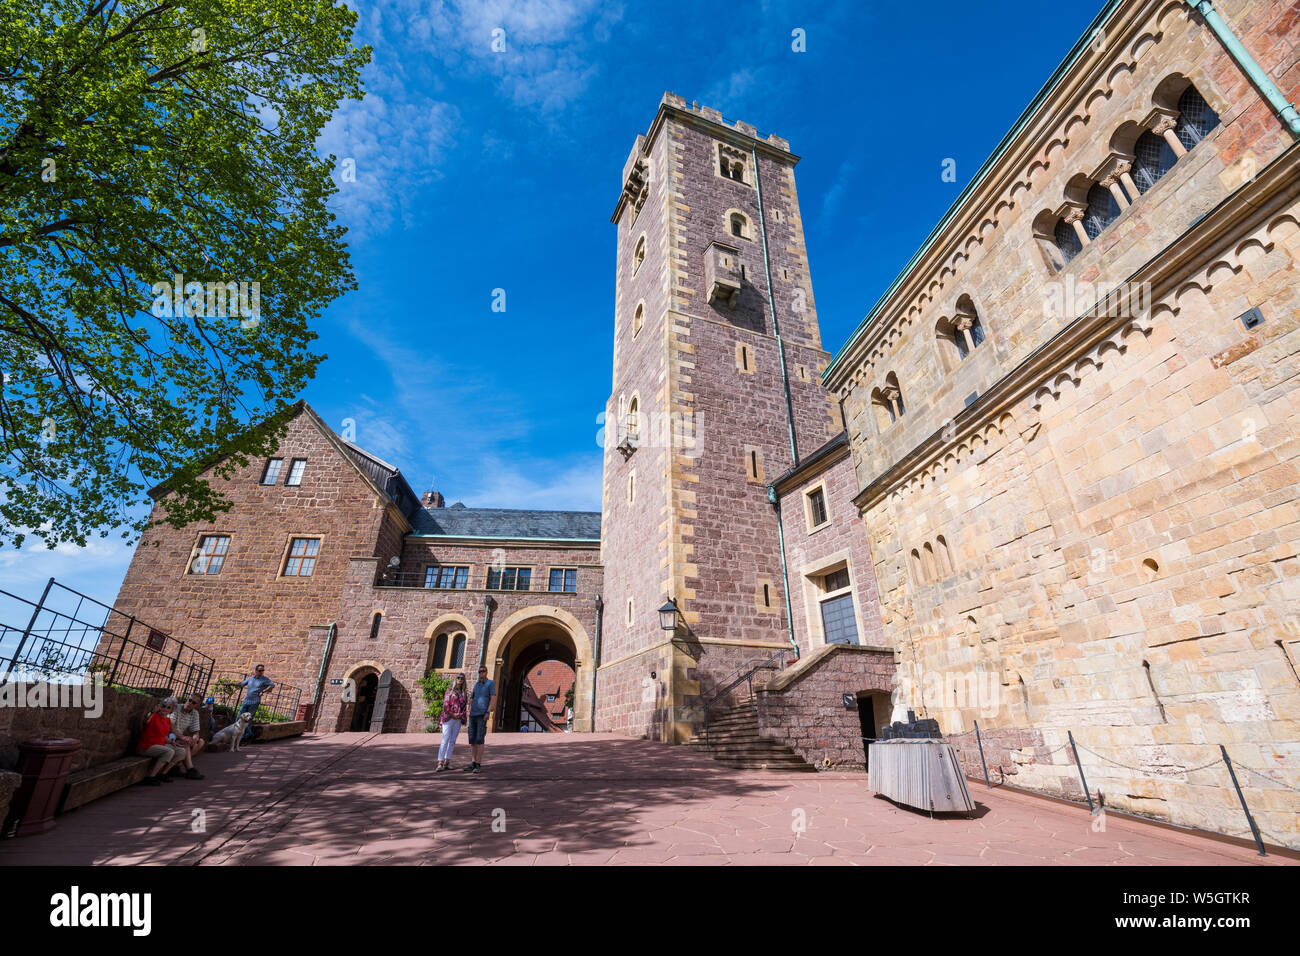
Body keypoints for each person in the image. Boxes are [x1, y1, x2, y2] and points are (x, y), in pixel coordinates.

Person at [136, 699, 185, 786]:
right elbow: (146, 722)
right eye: (163, 706)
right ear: (160, 707)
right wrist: (152, 712)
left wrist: (172, 742)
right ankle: (150, 777)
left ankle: (162, 774)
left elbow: (164, 736)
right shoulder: (153, 716)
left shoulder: (168, 721)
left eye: (168, 707)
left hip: (160, 745)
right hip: (147, 746)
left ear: (171, 710)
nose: (165, 708)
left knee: (181, 751)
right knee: (169, 751)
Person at [464, 665, 496, 774]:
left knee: (480, 739)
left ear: (486, 672)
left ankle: (478, 764)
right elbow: (472, 698)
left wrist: (488, 711)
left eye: (483, 671)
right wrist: (469, 709)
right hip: (473, 714)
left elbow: (493, 698)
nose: (481, 673)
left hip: (482, 715)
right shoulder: (476, 685)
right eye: (480, 671)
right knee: (472, 740)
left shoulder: (490, 683)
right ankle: (473, 762)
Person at [167, 693, 206, 779]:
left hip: (179, 736)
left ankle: (177, 765)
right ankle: (190, 769)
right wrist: (182, 737)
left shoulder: (195, 713)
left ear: (197, 705)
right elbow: (170, 726)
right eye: (190, 700)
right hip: (170, 736)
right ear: (187, 699)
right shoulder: (177, 708)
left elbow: (196, 731)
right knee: (185, 742)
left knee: (200, 742)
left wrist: (195, 737)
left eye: (194, 703)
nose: (190, 703)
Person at [436, 673, 468, 772]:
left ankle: (447, 762)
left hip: (458, 719)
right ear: (455, 679)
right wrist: (453, 714)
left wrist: (461, 716)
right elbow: (446, 705)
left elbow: (464, 707)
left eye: (462, 678)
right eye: (458, 678)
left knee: (452, 741)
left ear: (464, 681)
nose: (460, 679)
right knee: (445, 739)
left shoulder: (463, 693)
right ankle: (440, 763)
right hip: (448, 718)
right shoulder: (449, 691)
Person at [237, 665, 274, 744]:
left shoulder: (264, 679)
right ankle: (247, 734)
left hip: (255, 702)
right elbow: (241, 684)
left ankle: (244, 737)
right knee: (239, 717)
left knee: (249, 720)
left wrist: (263, 691)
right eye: (260, 670)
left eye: (263, 670)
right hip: (246, 701)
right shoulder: (251, 679)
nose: (261, 672)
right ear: (256, 671)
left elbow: (272, 685)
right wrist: (230, 683)